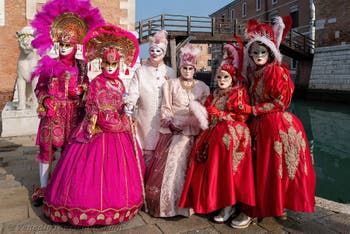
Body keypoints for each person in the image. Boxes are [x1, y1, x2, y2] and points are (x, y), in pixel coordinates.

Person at [42, 24, 145, 226]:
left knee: (117, 173)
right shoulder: (97, 81)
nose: (109, 68)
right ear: (101, 63)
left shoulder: (120, 84)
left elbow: (121, 104)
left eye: (113, 65)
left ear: (119, 65)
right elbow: (90, 104)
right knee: (88, 172)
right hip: (97, 130)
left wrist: (126, 111)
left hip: (118, 131)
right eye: (106, 64)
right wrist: (100, 116)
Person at [230, 16, 316, 229]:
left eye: (262, 52)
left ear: (269, 53)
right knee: (258, 168)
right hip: (258, 124)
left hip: (275, 125)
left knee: (273, 168)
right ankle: (263, 205)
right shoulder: (254, 73)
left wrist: (253, 109)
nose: (258, 55)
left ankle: (268, 207)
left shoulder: (277, 71)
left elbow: (280, 102)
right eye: (255, 52)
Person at [30, 0, 104, 206]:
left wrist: (81, 91)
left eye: (68, 45)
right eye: (61, 44)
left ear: (75, 45)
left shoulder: (82, 66)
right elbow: (39, 87)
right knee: (47, 149)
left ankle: (62, 186)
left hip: (74, 113)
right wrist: (45, 99)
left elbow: (88, 85)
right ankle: (44, 187)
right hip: (53, 114)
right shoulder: (49, 65)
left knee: (70, 150)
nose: (63, 48)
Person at [179, 62, 256, 223]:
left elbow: (242, 117)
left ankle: (228, 204)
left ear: (232, 78)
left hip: (231, 135)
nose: (221, 80)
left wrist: (221, 114)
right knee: (202, 160)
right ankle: (211, 201)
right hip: (212, 133)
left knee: (224, 165)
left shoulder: (238, 93)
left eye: (225, 77)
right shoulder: (214, 94)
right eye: (219, 77)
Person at [145, 44, 210, 217]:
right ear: (180, 68)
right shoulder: (170, 84)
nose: (187, 71)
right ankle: (169, 206)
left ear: (195, 69)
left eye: (191, 68)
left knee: (193, 170)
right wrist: (171, 124)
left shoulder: (203, 86)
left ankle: (192, 204)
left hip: (196, 133)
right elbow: (165, 108)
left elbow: (206, 109)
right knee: (172, 168)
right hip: (176, 133)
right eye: (184, 68)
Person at [128, 30, 176, 166]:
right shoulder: (140, 71)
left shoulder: (170, 72)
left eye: (158, 51)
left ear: (164, 52)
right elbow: (133, 92)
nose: (154, 53)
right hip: (145, 120)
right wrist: (129, 104)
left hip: (164, 121)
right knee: (144, 157)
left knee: (161, 159)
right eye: (152, 50)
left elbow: (175, 94)